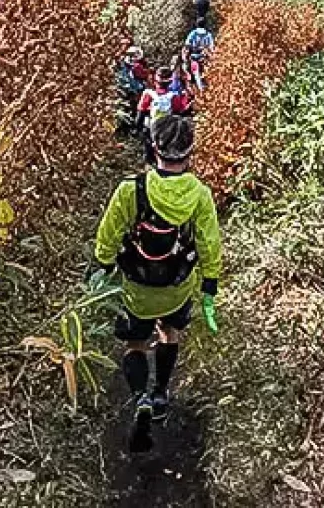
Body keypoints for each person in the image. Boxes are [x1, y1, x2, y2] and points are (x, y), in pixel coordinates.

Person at [94, 114, 222, 452]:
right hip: (177, 287)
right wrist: (210, 281)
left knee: (135, 344)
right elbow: (209, 243)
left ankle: (140, 399)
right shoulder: (199, 194)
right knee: (170, 332)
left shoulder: (130, 190)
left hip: (136, 288)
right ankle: (162, 393)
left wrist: (103, 267)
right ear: (189, 153)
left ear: (154, 148)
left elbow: (108, 235)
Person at [136, 67, 192, 163]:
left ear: (155, 80)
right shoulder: (173, 96)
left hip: (150, 127)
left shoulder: (148, 94)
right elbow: (179, 112)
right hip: (166, 128)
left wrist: (137, 128)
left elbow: (140, 112)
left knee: (149, 150)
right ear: (170, 82)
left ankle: (149, 163)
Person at [115, 46, 149, 136]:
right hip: (129, 90)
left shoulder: (135, 66)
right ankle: (128, 128)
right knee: (130, 109)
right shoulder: (127, 67)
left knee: (134, 110)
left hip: (133, 90)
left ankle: (132, 128)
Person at [183, 19, 215, 92]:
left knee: (186, 68)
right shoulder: (208, 34)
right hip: (204, 56)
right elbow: (212, 47)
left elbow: (187, 44)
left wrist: (186, 53)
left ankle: (190, 81)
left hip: (194, 56)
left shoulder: (193, 33)